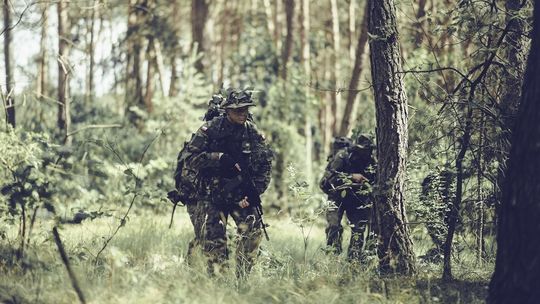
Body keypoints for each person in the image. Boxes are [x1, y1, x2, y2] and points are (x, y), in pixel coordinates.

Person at [185, 88, 273, 278]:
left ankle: (242, 280)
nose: (243, 114)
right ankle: (217, 283)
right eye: (238, 110)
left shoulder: (253, 133)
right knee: (215, 241)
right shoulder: (210, 130)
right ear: (227, 110)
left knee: (252, 232)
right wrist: (217, 157)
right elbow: (190, 159)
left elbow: (264, 166)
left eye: (246, 110)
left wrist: (252, 194)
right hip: (211, 194)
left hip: (241, 195)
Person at [319, 134, 376, 262]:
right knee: (333, 226)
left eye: (368, 150)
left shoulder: (372, 161)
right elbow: (329, 180)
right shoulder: (342, 156)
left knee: (358, 229)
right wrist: (352, 177)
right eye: (362, 150)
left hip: (356, 199)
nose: (365, 153)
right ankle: (333, 258)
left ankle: (353, 260)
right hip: (337, 196)